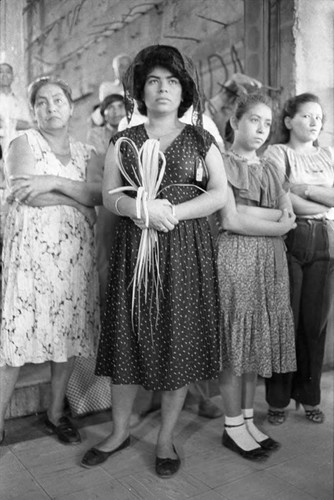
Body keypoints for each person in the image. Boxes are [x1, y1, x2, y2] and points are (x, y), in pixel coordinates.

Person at [80, 44, 228, 477]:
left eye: (171, 81)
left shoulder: (201, 138)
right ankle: (119, 430)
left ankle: (164, 439)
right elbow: (110, 196)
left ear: (183, 91)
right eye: (153, 81)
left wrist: (173, 212)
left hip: (186, 253)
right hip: (135, 255)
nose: (162, 88)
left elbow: (220, 194)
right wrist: (139, 209)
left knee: (177, 342)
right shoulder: (124, 140)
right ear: (140, 92)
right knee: (127, 338)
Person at [0, 76, 101, 446]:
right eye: (41, 102)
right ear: (33, 110)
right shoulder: (22, 142)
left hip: (74, 258)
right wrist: (74, 200)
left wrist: (50, 181)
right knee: (15, 339)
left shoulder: (87, 153)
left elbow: (98, 194)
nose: (51, 107)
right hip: (31, 255)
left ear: (71, 106)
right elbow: (24, 192)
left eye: (58, 99)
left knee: (68, 335)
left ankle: (56, 413)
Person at [216, 92, 297, 460]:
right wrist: (276, 225)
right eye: (254, 120)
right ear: (235, 121)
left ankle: (248, 420)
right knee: (236, 343)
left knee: (255, 342)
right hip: (235, 256)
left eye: (267, 123)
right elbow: (229, 219)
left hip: (268, 260)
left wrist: (263, 217)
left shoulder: (270, 166)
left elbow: (287, 210)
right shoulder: (220, 162)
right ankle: (232, 426)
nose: (262, 129)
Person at [264, 93, 334, 425]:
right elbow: (280, 195)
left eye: (318, 117)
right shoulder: (278, 152)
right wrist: (323, 201)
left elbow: (301, 194)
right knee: (285, 321)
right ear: (289, 120)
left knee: (314, 324)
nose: (314, 122)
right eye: (307, 116)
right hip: (290, 237)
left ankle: (309, 397)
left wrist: (303, 189)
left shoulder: (329, 153)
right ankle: (277, 400)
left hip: (326, 242)